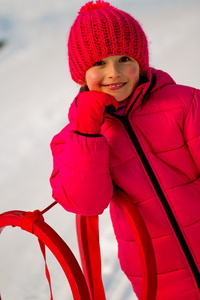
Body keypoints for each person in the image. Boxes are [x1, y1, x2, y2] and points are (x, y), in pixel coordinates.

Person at [50, 1, 200, 299]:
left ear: (140, 61)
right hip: (155, 273)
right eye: (98, 63)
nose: (113, 73)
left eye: (123, 58)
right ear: (81, 73)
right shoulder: (72, 137)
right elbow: (85, 203)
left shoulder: (186, 104)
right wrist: (87, 131)